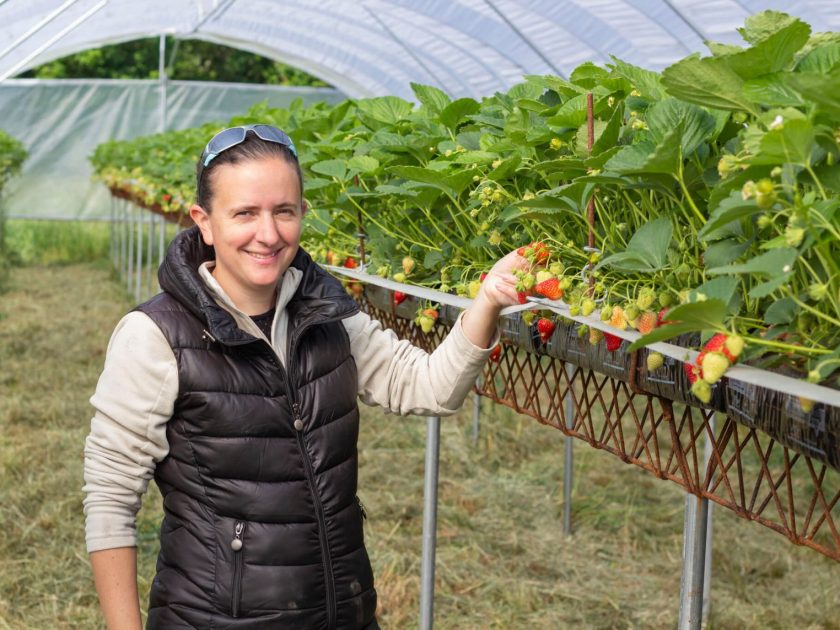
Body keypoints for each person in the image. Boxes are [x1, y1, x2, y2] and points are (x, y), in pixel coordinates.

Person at [83, 124, 527, 629]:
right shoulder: (156, 336)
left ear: (302, 214)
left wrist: (487, 300)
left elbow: (425, 386)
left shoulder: (327, 314)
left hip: (341, 612)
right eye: (245, 213)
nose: (268, 234)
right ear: (204, 222)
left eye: (284, 211)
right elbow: (110, 499)